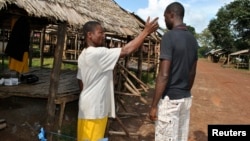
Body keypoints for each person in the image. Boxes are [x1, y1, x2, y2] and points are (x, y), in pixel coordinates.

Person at [77, 17, 159, 141]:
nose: (104, 36)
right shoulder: (97, 53)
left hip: (87, 107)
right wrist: (145, 32)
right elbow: (126, 50)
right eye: (100, 33)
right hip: (95, 110)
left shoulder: (83, 54)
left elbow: (80, 81)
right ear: (89, 35)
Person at [149, 2, 198, 141]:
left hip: (170, 100)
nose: (164, 21)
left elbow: (163, 75)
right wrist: (184, 91)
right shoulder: (193, 40)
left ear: (172, 15)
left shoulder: (169, 37)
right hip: (185, 98)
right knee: (180, 137)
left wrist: (153, 106)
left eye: (165, 17)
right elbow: (192, 72)